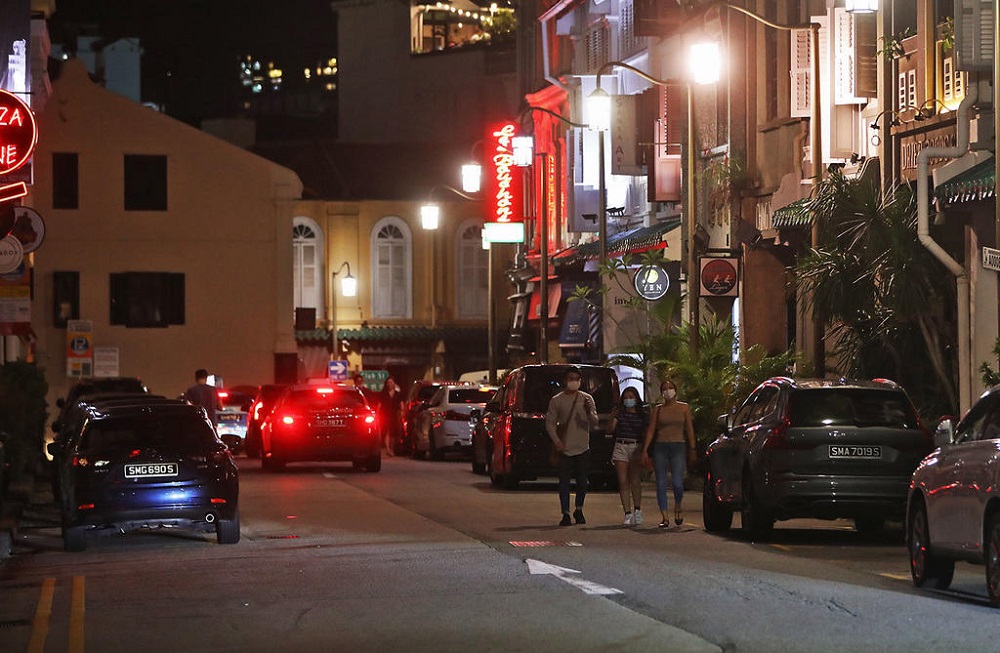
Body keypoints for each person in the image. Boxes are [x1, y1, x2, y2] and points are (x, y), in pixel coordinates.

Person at [545, 367, 599, 526]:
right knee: (564, 482)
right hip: (564, 448)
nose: (573, 381)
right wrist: (557, 441)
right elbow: (550, 423)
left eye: (576, 379)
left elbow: (594, 422)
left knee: (582, 481)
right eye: (570, 378)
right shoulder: (557, 400)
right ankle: (565, 513)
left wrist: (589, 412)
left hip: (582, 447)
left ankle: (579, 509)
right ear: (565, 380)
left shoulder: (587, 398)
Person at [641, 379, 696, 528]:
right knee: (661, 483)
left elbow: (689, 429)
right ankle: (664, 517)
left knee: (678, 482)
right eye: (664, 389)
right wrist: (645, 449)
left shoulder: (684, 408)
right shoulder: (658, 410)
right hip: (661, 447)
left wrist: (692, 449)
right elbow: (651, 430)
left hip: (678, 446)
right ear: (661, 393)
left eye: (670, 387)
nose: (668, 391)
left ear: (675, 390)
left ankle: (678, 504)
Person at [610, 387, 648, 527]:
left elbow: (646, 432)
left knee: (635, 481)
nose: (628, 400)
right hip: (621, 445)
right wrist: (612, 417)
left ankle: (637, 510)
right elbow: (610, 429)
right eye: (626, 398)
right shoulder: (620, 414)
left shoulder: (642, 415)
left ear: (636, 399)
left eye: (631, 397)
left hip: (636, 447)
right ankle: (627, 513)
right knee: (623, 481)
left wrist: (644, 450)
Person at [378, 376, 403, 456]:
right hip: (385, 414)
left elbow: (401, 404)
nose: (389, 384)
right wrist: (377, 413)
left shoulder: (398, 394)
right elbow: (379, 404)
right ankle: (388, 449)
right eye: (388, 382)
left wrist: (402, 412)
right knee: (386, 431)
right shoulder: (383, 394)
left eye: (391, 382)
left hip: (394, 415)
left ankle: (392, 448)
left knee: (393, 433)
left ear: (394, 384)